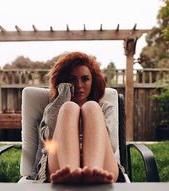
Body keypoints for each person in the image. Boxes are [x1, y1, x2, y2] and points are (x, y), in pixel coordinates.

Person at [35, 51, 124, 184]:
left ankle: (93, 172)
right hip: (60, 168)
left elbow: (111, 146)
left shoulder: (104, 107)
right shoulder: (54, 108)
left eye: (85, 79)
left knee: (92, 107)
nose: (79, 85)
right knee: (69, 108)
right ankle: (71, 172)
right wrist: (63, 98)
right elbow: (47, 142)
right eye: (72, 79)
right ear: (64, 82)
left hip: (102, 166)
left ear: (93, 81)